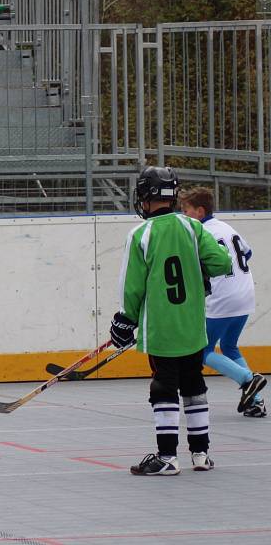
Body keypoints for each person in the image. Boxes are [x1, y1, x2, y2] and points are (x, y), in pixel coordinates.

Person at [110, 166, 232, 475]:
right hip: (192, 325)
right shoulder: (193, 227)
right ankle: (201, 454)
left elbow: (132, 286)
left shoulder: (141, 234)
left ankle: (167, 457)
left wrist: (126, 320)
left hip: (161, 329)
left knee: (163, 388)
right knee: (194, 384)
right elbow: (221, 262)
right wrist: (202, 268)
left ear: (146, 197)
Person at [178, 186, 266, 417]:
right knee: (229, 346)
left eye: (185, 210)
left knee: (201, 351)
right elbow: (247, 253)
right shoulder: (226, 227)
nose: (183, 215)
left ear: (199, 211)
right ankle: (255, 401)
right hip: (245, 295)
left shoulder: (200, 232)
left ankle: (248, 379)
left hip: (223, 299)